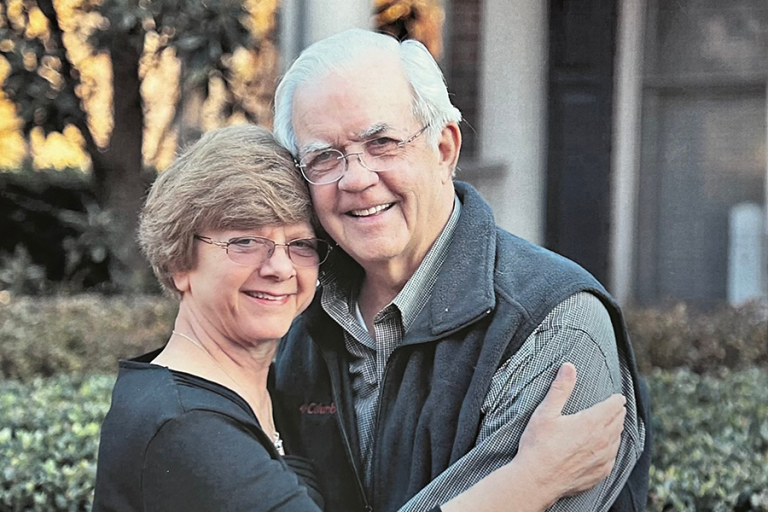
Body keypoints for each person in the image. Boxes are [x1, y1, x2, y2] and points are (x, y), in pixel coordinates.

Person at [91, 124, 626, 512]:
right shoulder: (185, 425)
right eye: (245, 241)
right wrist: (532, 480)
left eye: (300, 244)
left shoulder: (263, 395)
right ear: (180, 262)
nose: (278, 267)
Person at [271, 29, 651, 512]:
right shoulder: (305, 321)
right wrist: (524, 482)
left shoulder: (556, 322)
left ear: (445, 148)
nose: (357, 178)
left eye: (383, 142)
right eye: (324, 157)